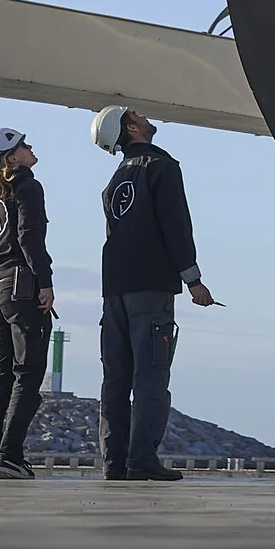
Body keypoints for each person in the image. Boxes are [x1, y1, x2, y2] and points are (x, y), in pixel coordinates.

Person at [90, 105, 217, 481]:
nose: (145, 116)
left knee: (115, 378)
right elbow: (176, 226)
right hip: (151, 289)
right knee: (151, 377)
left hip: (114, 289)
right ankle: (142, 459)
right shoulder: (162, 167)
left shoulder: (114, 180)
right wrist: (193, 280)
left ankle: (114, 462)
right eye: (138, 115)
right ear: (130, 127)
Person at [0, 126, 53, 481]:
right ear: (11, 158)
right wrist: (45, 282)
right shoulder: (28, 187)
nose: (30, 147)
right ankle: (11, 457)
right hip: (22, 286)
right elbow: (29, 235)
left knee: (0, 377)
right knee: (28, 374)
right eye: (23, 145)